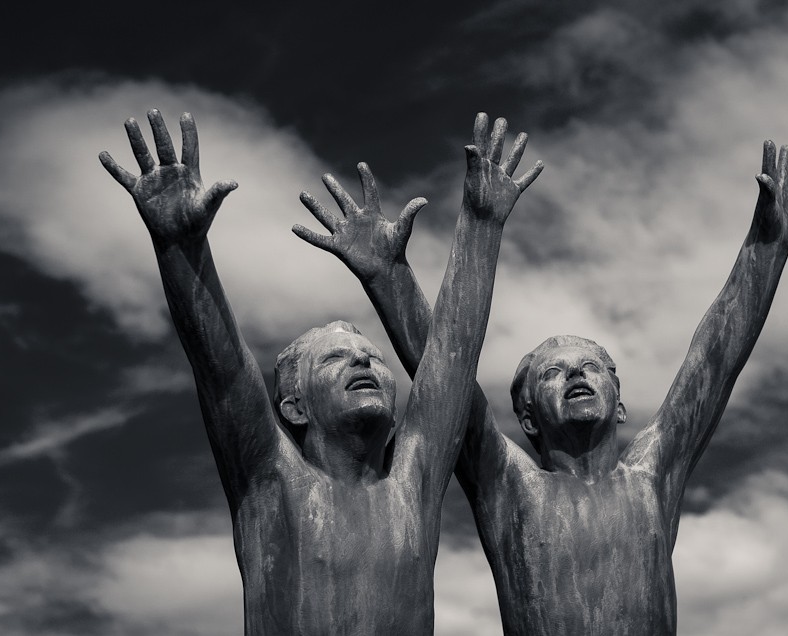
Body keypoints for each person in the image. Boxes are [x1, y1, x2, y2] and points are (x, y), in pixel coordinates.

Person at [297, 137, 788, 634]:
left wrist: (767, 249)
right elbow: (446, 371)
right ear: (528, 419)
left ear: (621, 406)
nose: (576, 374)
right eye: (554, 373)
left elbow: (713, 363)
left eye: (591, 367)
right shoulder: (508, 487)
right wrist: (389, 279)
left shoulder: (650, 478)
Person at [99, 110, 542, 634]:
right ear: (293, 407)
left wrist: (482, 223)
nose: (364, 361)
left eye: (375, 358)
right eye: (336, 359)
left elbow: (450, 357)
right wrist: (181, 248)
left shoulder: (412, 486)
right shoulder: (272, 481)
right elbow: (220, 368)